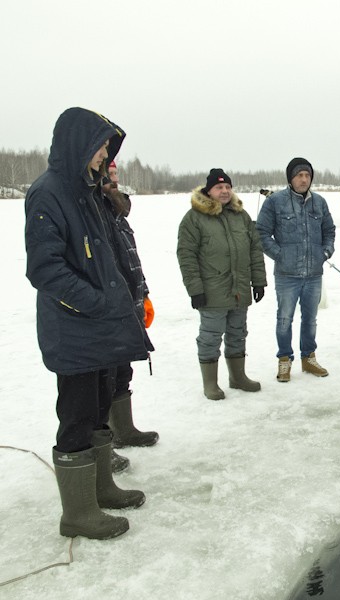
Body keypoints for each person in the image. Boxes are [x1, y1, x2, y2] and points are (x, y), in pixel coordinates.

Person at [24, 107, 151, 540]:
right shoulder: (49, 192)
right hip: (75, 328)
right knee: (77, 416)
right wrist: (96, 303)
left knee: (98, 410)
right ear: (78, 144)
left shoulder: (87, 191)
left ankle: (101, 489)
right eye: (100, 146)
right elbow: (45, 269)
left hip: (100, 326)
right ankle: (78, 513)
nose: (103, 155)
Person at [177, 169, 267, 400]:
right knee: (211, 336)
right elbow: (186, 256)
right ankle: (210, 383)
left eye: (228, 187)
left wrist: (258, 281)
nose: (225, 191)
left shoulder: (241, 216)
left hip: (239, 289)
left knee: (238, 333)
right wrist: (195, 290)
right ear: (208, 191)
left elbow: (255, 250)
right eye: (219, 187)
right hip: (211, 291)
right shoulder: (194, 218)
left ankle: (238, 377)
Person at [256, 158, 336, 382]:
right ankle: (284, 360)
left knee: (310, 319)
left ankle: (308, 358)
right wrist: (279, 254)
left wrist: (326, 252)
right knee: (284, 319)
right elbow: (261, 232)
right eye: (299, 175)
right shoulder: (275, 202)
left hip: (313, 275)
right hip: (286, 274)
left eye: (307, 175)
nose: (304, 179)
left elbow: (329, 231)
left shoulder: (319, 202)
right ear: (291, 178)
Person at [102, 160, 159, 459]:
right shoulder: (94, 210)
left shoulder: (118, 212)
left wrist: (144, 292)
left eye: (115, 174)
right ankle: (102, 442)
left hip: (129, 301)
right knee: (103, 376)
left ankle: (124, 430)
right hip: (107, 306)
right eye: (107, 174)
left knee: (123, 368)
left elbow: (131, 259)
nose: (112, 179)